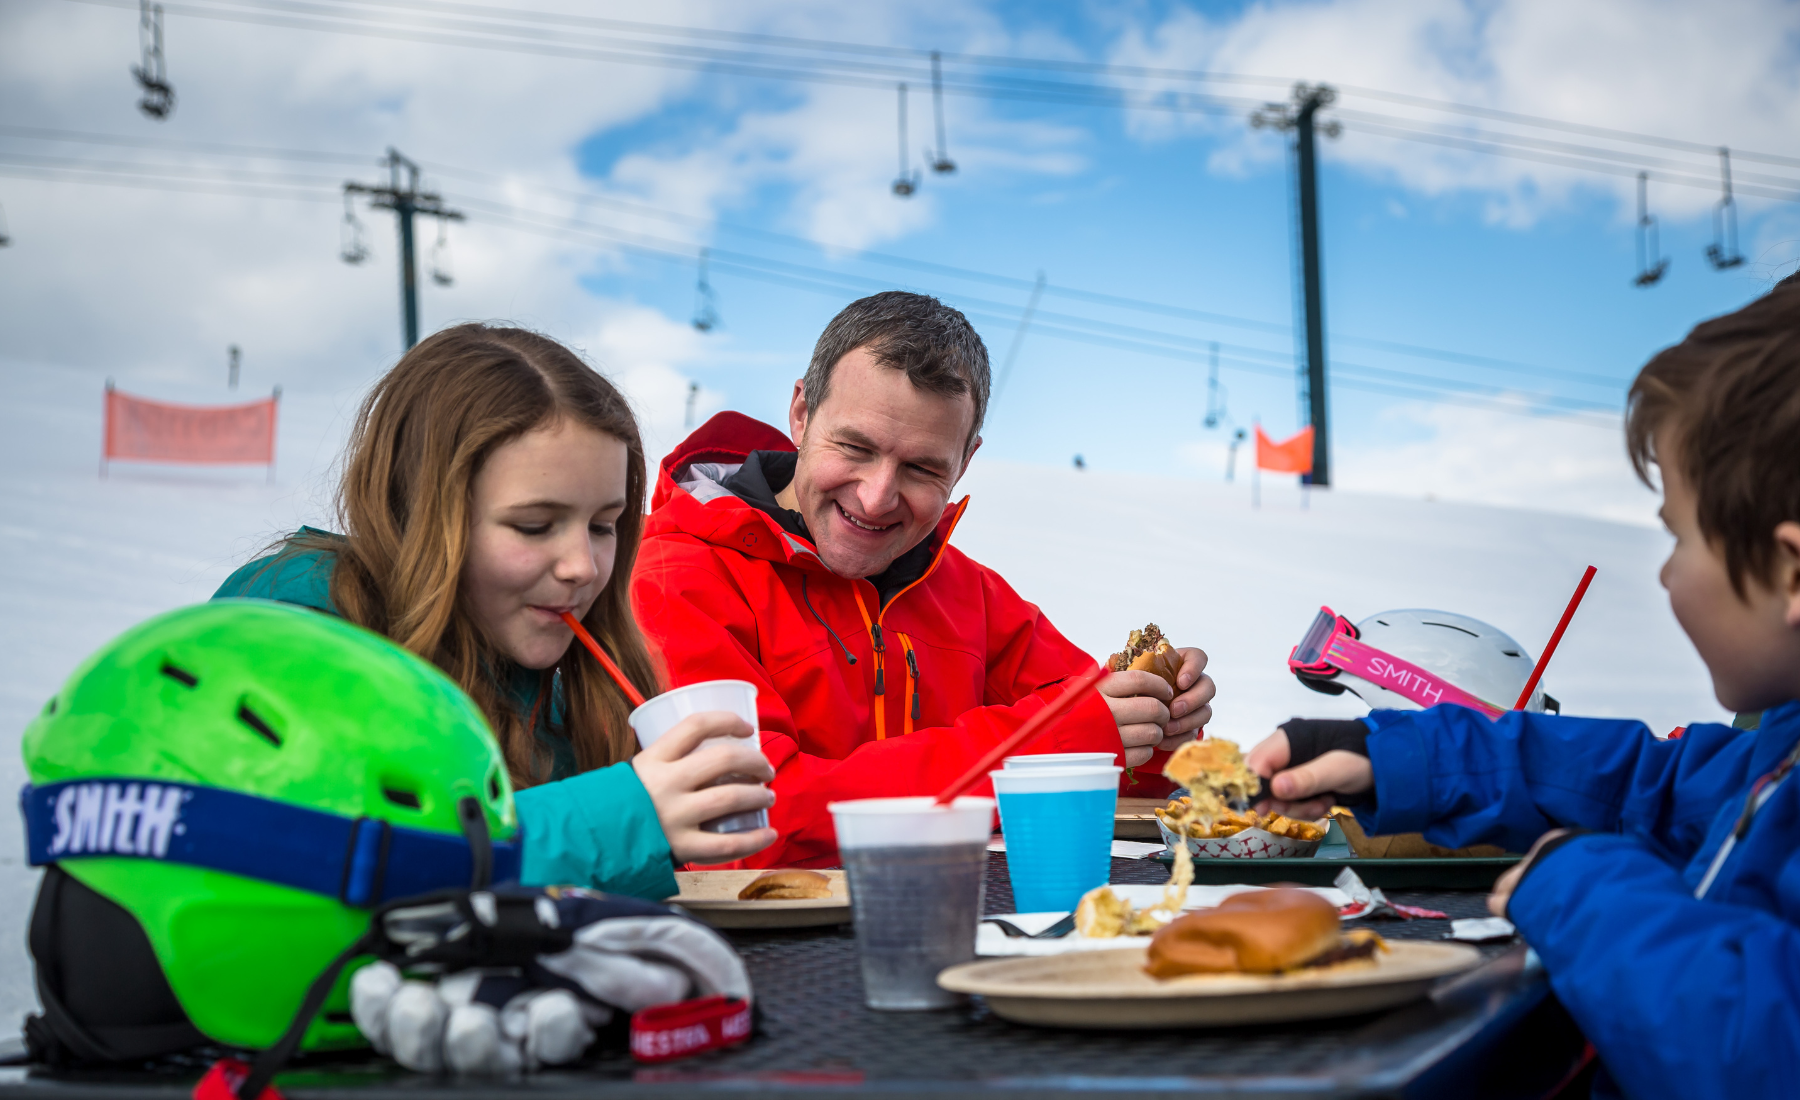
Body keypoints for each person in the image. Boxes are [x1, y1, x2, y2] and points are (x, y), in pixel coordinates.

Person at [1248, 277, 1800, 1100]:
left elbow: (1757, 1051)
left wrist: (1582, 886)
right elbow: (1653, 780)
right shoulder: (1778, 755)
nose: (1666, 572)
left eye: (1680, 538)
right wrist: (1404, 756)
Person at [633, 292, 1217, 868]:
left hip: (963, 929)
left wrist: (1157, 725)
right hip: (759, 951)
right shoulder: (674, 576)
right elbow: (749, 818)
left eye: (921, 467)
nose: (876, 496)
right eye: (854, 446)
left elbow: (1112, 759)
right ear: (802, 413)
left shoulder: (972, 593)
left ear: (964, 461)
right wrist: (1055, 744)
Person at [215, 323, 775, 899]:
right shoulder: (298, 621)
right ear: (422, 513)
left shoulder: (561, 692)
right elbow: (308, 867)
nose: (582, 566)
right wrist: (628, 817)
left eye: (603, 526)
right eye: (534, 526)